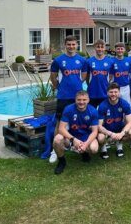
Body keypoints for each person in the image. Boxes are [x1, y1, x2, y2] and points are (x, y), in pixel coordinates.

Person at [49, 35, 88, 163]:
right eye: (69, 44)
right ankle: (55, 150)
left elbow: (83, 76)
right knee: (59, 122)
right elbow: (53, 77)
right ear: (65, 45)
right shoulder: (58, 60)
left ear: (77, 45)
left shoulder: (82, 60)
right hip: (63, 97)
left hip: (78, 97)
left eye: (73, 44)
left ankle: (79, 145)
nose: (71, 46)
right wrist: (59, 87)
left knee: (79, 121)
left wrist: (76, 84)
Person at [52, 90, 99, 175]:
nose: (81, 102)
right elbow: (61, 129)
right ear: (75, 100)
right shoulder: (68, 109)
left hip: (85, 137)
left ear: (88, 100)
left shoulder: (93, 111)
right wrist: (74, 140)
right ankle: (62, 162)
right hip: (71, 137)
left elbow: (95, 132)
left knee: (94, 149)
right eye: (79, 100)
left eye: (84, 100)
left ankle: (84, 152)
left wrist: (85, 143)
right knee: (57, 139)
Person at [97, 83, 131, 159]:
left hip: (119, 129)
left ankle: (119, 144)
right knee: (100, 138)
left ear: (119, 93)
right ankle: (104, 147)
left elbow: (130, 122)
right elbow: (99, 126)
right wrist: (110, 134)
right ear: (107, 93)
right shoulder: (102, 106)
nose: (113, 94)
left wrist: (121, 133)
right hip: (106, 131)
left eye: (115, 92)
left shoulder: (124, 104)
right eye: (111, 92)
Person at [86, 39, 113, 108]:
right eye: (98, 47)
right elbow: (87, 77)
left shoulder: (110, 61)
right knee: (92, 115)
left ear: (105, 48)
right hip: (92, 93)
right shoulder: (89, 61)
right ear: (95, 47)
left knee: (105, 116)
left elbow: (110, 76)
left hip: (105, 93)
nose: (100, 49)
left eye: (102, 47)